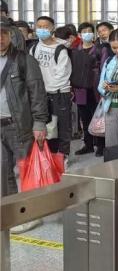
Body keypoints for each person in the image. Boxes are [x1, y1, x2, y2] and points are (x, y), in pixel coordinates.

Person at [0, 18, 49, 232]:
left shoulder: (24, 60)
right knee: (2, 173)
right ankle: (11, 213)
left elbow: (37, 93)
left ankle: (31, 214)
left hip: (19, 126)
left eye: (3, 33)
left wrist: (39, 122)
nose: (0, 38)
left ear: (10, 35)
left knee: (27, 172)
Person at [30, 16, 73, 162]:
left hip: (59, 94)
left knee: (62, 126)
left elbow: (62, 74)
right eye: (39, 26)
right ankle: (49, 155)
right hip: (42, 94)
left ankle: (63, 156)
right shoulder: (34, 47)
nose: (42, 29)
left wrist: (46, 88)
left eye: (45, 26)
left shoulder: (61, 49)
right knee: (47, 126)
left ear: (52, 28)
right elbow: (31, 70)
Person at [73, 23, 105, 156]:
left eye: (90, 31)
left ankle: (101, 145)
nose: (87, 33)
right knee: (85, 118)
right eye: (84, 31)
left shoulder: (100, 50)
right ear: (79, 35)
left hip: (95, 88)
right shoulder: (75, 50)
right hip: (80, 89)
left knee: (98, 118)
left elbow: (104, 68)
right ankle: (88, 144)